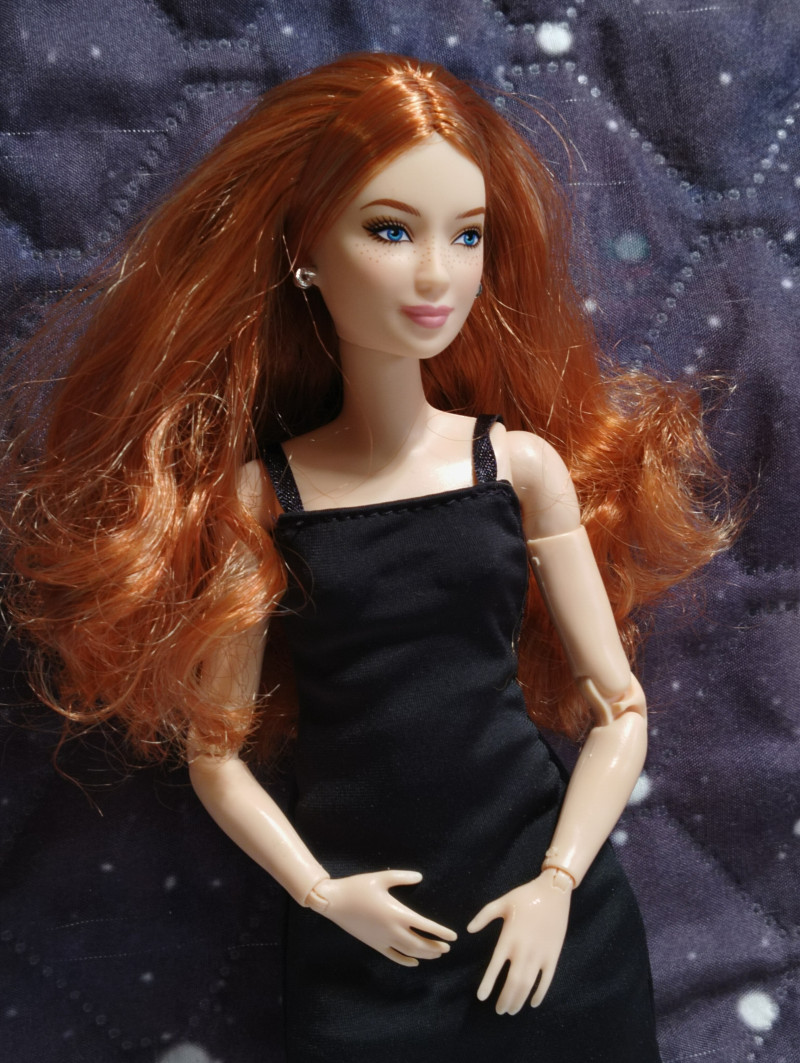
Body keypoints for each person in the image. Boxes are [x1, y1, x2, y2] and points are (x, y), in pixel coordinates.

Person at [4, 53, 729, 1061]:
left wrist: (558, 882)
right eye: (391, 230)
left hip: (545, 921)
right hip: (365, 946)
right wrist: (320, 892)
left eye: (466, 235)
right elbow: (216, 756)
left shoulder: (517, 467)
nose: (437, 274)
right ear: (305, 251)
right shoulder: (268, 497)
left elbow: (621, 710)